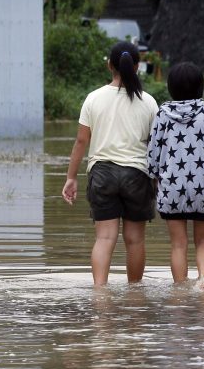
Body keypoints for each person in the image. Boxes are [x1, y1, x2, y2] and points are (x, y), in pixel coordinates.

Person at [62, 41, 159, 286]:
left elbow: (81, 141)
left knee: (104, 239)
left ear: (109, 66)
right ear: (137, 67)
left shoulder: (93, 99)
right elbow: (155, 146)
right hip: (137, 174)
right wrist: (157, 181)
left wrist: (71, 178)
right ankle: (135, 295)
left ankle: (99, 294)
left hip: (102, 174)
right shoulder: (148, 102)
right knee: (135, 240)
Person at [147, 62, 204, 288]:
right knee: (203, 240)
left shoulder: (162, 115)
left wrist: (153, 178)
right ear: (201, 86)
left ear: (171, 87)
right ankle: (202, 280)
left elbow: (153, 154)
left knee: (178, 245)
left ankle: (180, 289)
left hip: (171, 187)